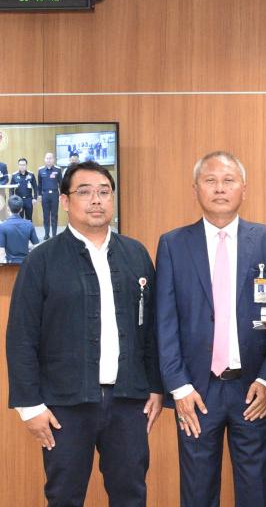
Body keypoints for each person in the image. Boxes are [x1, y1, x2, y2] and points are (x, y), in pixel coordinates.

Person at [6, 161, 162, 506]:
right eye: (85, 192)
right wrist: (29, 407)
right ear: (64, 201)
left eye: (104, 192)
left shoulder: (136, 254)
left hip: (128, 402)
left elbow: (151, 329)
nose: (96, 200)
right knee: (63, 497)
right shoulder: (41, 260)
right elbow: (21, 337)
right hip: (64, 406)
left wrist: (155, 386)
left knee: (131, 495)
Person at [155, 151, 266, 507]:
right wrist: (179, 387)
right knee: (197, 493)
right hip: (196, 392)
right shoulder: (172, 244)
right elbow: (165, 323)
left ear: (243, 189)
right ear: (195, 189)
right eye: (210, 181)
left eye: (228, 181)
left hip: (253, 390)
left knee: (257, 491)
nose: (220, 188)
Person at [0, 195, 39, 263]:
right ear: (21, 209)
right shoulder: (29, 224)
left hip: (10, 264)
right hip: (26, 263)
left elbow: (1, 251)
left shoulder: (3, 226)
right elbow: (37, 247)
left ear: (8, 208)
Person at [38, 152, 64, 241]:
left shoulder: (58, 170)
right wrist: (39, 195)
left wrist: (61, 195)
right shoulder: (41, 170)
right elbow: (39, 184)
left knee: (54, 215)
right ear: (44, 159)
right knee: (45, 215)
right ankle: (46, 234)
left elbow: (61, 184)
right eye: (47, 158)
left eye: (50, 158)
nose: (48, 160)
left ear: (53, 160)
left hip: (54, 195)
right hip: (45, 195)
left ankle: (54, 234)